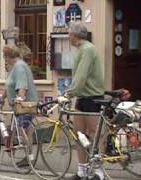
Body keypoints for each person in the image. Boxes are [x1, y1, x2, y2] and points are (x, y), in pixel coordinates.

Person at [58, 22, 105, 180]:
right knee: (79, 135)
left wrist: (68, 94)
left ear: (74, 35)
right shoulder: (80, 49)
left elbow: (81, 76)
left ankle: (98, 171)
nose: (68, 36)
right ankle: (82, 170)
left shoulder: (88, 49)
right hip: (82, 97)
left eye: (69, 33)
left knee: (94, 135)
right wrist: (71, 93)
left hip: (93, 97)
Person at [0, 43, 39, 166]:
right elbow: (10, 85)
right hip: (21, 105)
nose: (4, 59)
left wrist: (19, 99)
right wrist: (2, 97)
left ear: (7, 56)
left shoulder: (19, 67)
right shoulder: (15, 66)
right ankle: (27, 157)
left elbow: (22, 86)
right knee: (23, 131)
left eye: (4, 56)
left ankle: (29, 159)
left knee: (24, 132)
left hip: (25, 106)